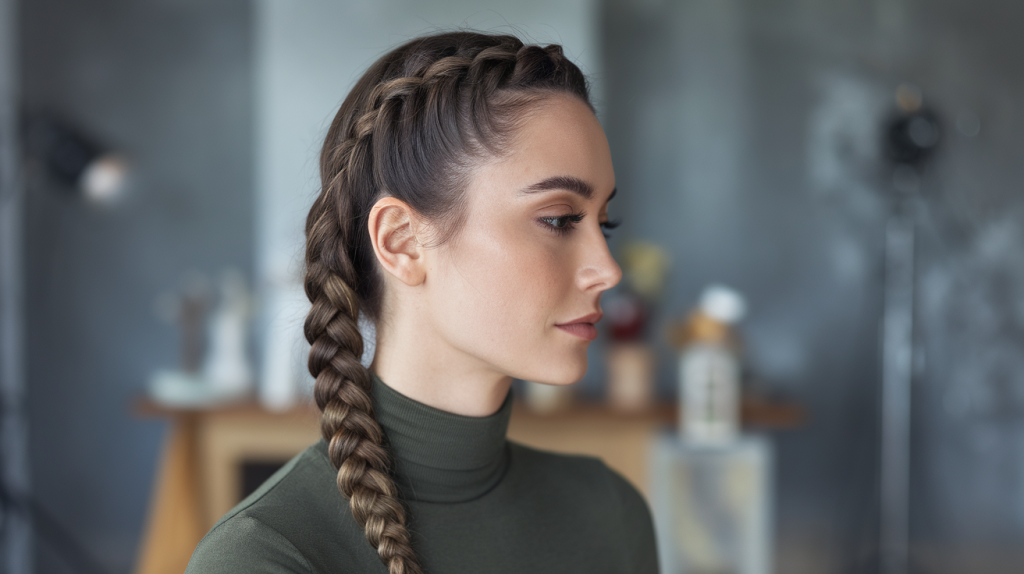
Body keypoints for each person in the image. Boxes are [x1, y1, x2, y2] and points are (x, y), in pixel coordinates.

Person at [186, 31, 658, 574]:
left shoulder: (609, 514)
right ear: (402, 241)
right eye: (559, 220)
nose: (608, 270)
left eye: (604, 223)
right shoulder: (265, 555)